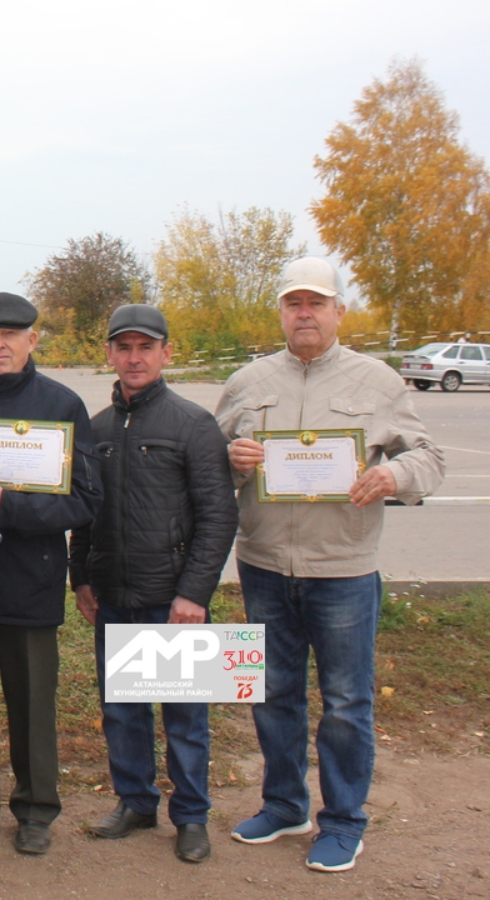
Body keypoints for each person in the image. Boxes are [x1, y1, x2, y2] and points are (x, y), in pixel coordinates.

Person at [215, 258, 444, 873]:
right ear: (282, 313)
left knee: (345, 700)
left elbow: (428, 459)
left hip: (343, 569)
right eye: (294, 303)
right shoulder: (248, 382)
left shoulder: (378, 382)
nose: (305, 313)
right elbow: (207, 468)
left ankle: (342, 821)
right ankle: (284, 804)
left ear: (339, 311)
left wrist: (393, 474)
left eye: (317, 303)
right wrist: (231, 460)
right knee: (273, 692)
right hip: (263, 564)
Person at [68, 304, 237, 864]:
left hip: (173, 600)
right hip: (115, 594)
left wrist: (195, 593)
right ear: (110, 355)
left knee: (184, 717)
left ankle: (190, 816)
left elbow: (218, 515)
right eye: (124, 347)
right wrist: (82, 579)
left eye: (145, 347)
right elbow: (85, 515)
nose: (134, 357)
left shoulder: (193, 424)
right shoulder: (96, 429)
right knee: (123, 707)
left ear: (166, 353)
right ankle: (135, 802)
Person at [0, 292, 101, 856]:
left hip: (29, 579)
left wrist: (5, 509)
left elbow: (84, 500)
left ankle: (37, 807)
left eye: (10, 335)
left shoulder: (60, 405)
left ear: (31, 341)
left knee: (32, 702)